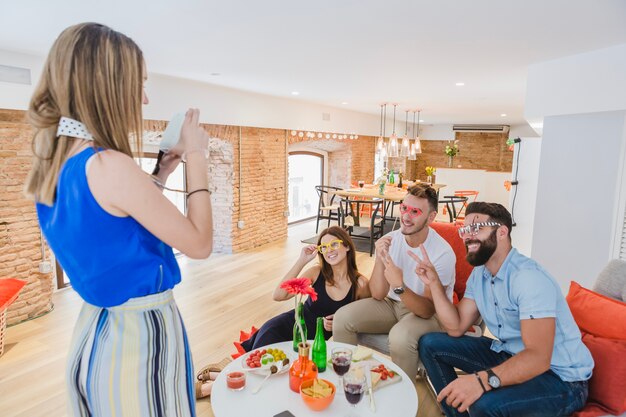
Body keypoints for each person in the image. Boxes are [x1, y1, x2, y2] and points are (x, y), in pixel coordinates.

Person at [25, 23, 212, 416]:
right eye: (138, 84)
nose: (143, 99)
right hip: (140, 339)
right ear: (107, 86)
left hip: (97, 332)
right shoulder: (111, 165)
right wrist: (196, 154)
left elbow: (114, 232)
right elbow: (200, 244)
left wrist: (159, 175)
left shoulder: (57, 163)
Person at [416, 202, 593, 417]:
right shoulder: (479, 274)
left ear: (501, 232)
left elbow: (538, 358)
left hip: (561, 379)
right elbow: (456, 327)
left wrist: (481, 381)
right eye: (465, 229)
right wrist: (434, 283)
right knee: (431, 344)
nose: (467, 236)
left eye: (477, 228)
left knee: (485, 405)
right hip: (510, 355)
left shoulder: (528, 278)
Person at [195, 226, 371, 397]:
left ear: (347, 245)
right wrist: (302, 260)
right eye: (323, 248)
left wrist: (338, 322)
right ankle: (211, 388)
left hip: (310, 345)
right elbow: (278, 295)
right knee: (262, 369)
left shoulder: (361, 285)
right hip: (286, 327)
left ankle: (218, 377)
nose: (329, 251)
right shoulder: (317, 272)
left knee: (279, 380)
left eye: (334, 244)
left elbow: (362, 319)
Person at [333, 184, 456, 380]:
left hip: (429, 315)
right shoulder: (390, 239)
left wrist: (399, 286)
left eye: (415, 211)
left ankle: (403, 403)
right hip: (391, 305)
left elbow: (427, 310)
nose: (406, 217)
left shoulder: (442, 253)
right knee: (342, 318)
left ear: (431, 217)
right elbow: (378, 294)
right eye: (404, 208)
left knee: (400, 337)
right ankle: (347, 383)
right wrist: (381, 258)